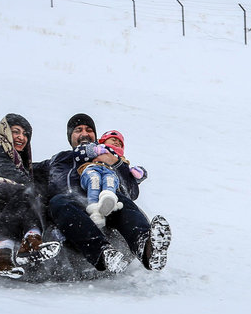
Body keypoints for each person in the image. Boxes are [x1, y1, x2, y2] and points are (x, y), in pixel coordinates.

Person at [34, 113, 171, 274]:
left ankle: (146, 248)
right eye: (78, 130)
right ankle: (104, 253)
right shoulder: (58, 159)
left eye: (89, 130)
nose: (85, 133)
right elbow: (24, 172)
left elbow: (132, 192)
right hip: (69, 213)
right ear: (70, 136)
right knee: (58, 202)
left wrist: (117, 164)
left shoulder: (106, 158)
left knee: (121, 201)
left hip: (106, 208)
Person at [0, 114, 61, 278]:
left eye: (25, 134)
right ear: (5, 131)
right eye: (16, 132)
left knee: (27, 201)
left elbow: (30, 173)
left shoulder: (19, 161)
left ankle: (2, 259)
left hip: (9, 195)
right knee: (29, 192)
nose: (21, 137)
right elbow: (11, 173)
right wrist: (34, 187)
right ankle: (30, 243)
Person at [75, 130, 147, 227]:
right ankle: (94, 210)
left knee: (110, 180)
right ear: (103, 140)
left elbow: (128, 178)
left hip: (109, 172)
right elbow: (79, 153)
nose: (117, 143)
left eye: (120, 143)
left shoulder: (121, 159)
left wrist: (137, 173)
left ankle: (108, 199)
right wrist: (94, 150)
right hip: (93, 168)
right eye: (113, 140)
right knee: (94, 180)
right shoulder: (95, 146)